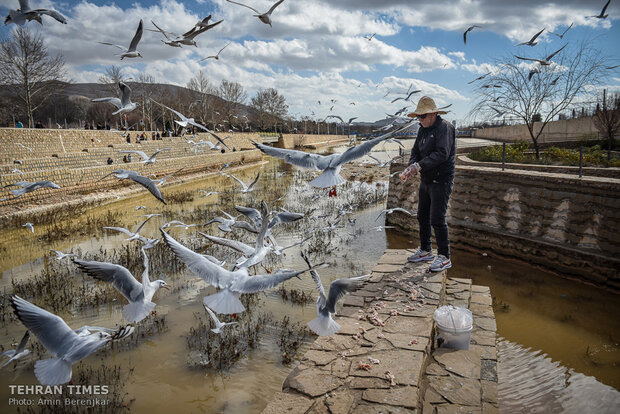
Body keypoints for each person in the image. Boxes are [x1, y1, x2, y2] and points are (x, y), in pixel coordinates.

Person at [400, 96, 455, 272]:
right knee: (422, 215)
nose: (420, 120)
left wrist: (419, 165)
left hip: (441, 179)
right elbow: (415, 151)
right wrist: (411, 166)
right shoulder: (422, 129)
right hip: (426, 179)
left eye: (422, 116)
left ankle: (444, 257)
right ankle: (425, 250)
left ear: (432, 114)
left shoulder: (444, 128)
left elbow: (442, 154)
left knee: (437, 218)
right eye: (418, 117)